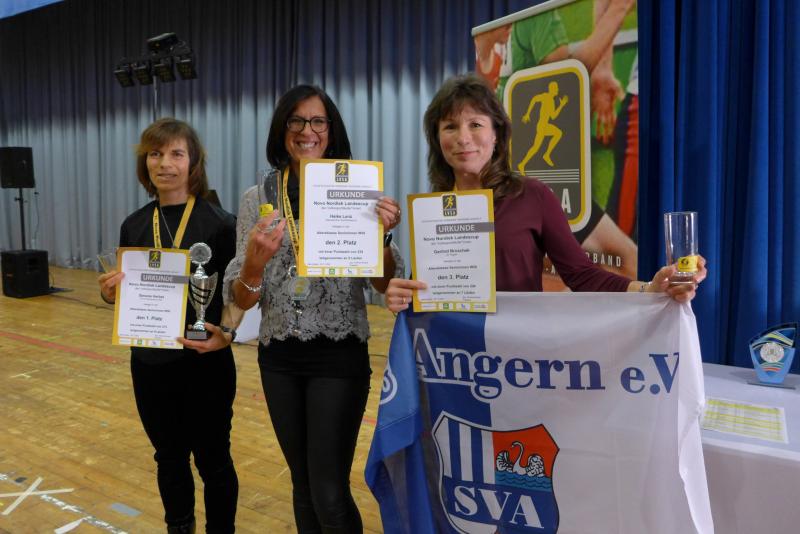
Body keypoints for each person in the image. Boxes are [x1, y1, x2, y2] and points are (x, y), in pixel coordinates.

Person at [222, 85, 403, 534]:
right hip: (279, 357)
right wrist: (253, 263)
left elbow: (383, 283)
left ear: (331, 129)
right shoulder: (257, 197)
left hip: (338, 353)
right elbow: (241, 298)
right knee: (302, 486)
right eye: (297, 121)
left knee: (329, 491)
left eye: (318, 121)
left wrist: (382, 237)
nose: (308, 131)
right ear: (282, 129)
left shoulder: (358, 189)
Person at [384, 74, 706, 311]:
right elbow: (427, 288)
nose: (463, 138)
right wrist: (403, 295)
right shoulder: (433, 208)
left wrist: (649, 289)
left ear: (496, 134)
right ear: (437, 140)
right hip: (451, 358)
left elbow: (581, 275)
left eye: (475, 125)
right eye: (450, 127)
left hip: (515, 360)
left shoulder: (532, 196)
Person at [98, 118, 239, 534]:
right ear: (145, 163)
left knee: (214, 460)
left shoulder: (221, 223)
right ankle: (179, 527)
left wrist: (228, 334)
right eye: (155, 154)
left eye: (176, 153)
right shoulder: (134, 224)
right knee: (169, 457)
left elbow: (238, 294)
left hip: (205, 362)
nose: (164, 163)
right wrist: (111, 295)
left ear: (193, 162)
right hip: (150, 363)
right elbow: (129, 294)